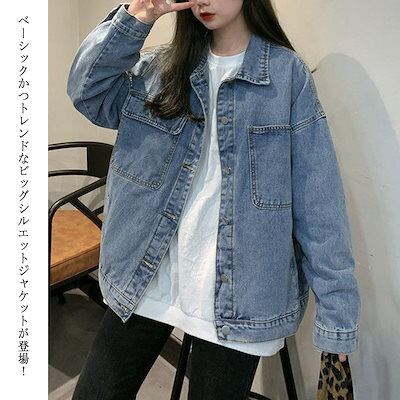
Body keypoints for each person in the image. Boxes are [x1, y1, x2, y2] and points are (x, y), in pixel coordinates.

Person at [67, 1, 361, 399]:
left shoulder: (285, 76)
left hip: (243, 297)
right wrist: (138, 15)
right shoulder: (159, 70)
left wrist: (337, 315)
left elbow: (319, 203)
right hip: (144, 279)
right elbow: (88, 93)